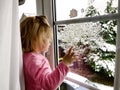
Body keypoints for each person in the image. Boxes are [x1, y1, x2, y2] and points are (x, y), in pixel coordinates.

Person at [20, 15, 75, 90]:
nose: (50, 41)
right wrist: (65, 63)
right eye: (47, 37)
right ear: (36, 39)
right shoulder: (35, 60)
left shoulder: (25, 56)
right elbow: (49, 84)